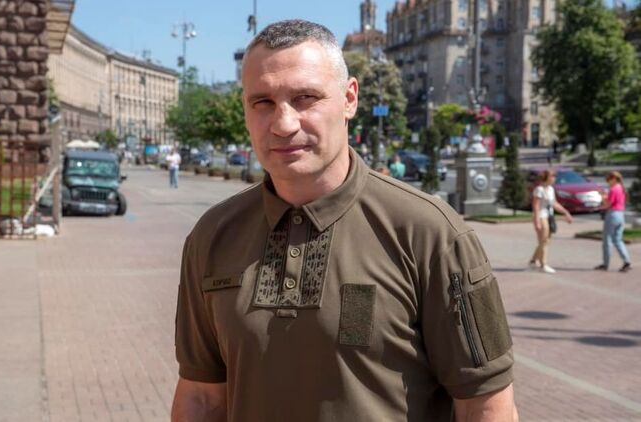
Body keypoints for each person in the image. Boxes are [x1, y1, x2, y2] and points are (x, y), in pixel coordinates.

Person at [172, 20, 517, 422]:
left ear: (349, 98)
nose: (283, 124)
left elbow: (487, 405)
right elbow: (201, 397)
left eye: (305, 98)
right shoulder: (213, 235)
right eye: (262, 102)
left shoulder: (430, 233)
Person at [529, 169, 573, 273]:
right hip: (541, 216)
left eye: (555, 176)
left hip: (549, 216)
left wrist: (565, 212)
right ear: (546, 177)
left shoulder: (550, 189)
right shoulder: (539, 189)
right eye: (552, 176)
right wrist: (537, 221)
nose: (554, 178)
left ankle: (533, 260)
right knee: (544, 240)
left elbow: (554, 203)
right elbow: (536, 206)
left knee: (545, 241)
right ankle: (543, 264)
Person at [595, 171, 631, 272]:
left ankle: (605, 264)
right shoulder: (621, 188)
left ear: (614, 179)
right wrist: (605, 195)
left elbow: (608, 204)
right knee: (618, 240)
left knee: (607, 240)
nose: (608, 182)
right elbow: (616, 201)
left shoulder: (613, 189)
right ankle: (626, 261)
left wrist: (602, 198)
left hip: (612, 215)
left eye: (609, 180)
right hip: (621, 215)